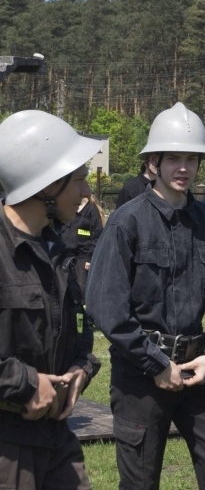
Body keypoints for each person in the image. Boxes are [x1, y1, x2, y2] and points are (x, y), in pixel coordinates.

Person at [86, 102, 205, 489]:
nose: (183, 167)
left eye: (192, 159)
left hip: (196, 370)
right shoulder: (127, 222)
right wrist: (156, 364)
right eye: (173, 157)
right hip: (140, 376)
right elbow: (107, 308)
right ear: (154, 161)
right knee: (140, 483)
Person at [0, 110, 103, 489]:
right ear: (46, 184)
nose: (86, 192)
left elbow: (79, 327)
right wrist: (27, 385)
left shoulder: (57, 249)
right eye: (78, 179)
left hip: (57, 439)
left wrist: (81, 368)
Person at [61, 193, 105, 297]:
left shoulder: (91, 210)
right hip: (67, 255)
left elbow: (97, 236)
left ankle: (83, 305)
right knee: (65, 285)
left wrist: (90, 259)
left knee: (81, 287)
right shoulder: (70, 208)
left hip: (83, 257)